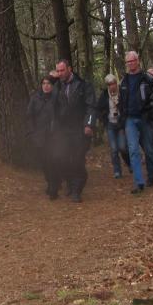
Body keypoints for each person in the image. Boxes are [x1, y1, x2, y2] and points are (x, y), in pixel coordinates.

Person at [52, 58, 94, 201]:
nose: (60, 73)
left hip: (79, 129)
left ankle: (77, 190)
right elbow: (52, 107)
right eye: (58, 71)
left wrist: (89, 124)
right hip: (63, 130)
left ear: (69, 69)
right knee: (61, 158)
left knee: (77, 159)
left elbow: (91, 106)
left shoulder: (83, 85)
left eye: (62, 70)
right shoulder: (57, 87)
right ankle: (70, 183)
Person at [119, 51, 153, 193]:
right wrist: (123, 119)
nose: (130, 64)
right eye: (128, 62)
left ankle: (151, 175)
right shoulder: (123, 81)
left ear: (137, 61)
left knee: (149, 149)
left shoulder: (148, 78)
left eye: (132, 61)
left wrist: (151, 111)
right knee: (133, 150)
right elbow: (121, 101)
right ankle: (138, 182)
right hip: (130, 119)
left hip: (145, 117)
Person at [27, 75, 62, 198]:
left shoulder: (57, 97)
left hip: (54, 135)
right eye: (44, 83)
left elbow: (62, 113)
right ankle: (50, 182)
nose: (46, 86)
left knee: (53, 160)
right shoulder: (35, 98)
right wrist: (32, 132)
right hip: (39, 136)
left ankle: (53, 187)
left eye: (48, 84)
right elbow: (29, 116)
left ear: (52, 86)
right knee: (44, 162)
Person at [95, 73, 129, 179]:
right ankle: (117, 171)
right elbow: (98, 109)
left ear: (116, 83)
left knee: (122, 147)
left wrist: (123, 119)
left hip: (120, 124)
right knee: (114, 149)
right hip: (110, 124)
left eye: (113, 83)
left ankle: (129, 163)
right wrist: (103, 119)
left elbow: (126, 107)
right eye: (109, 84)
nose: (112, 86)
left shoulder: (122, 93)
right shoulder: (105, 95)